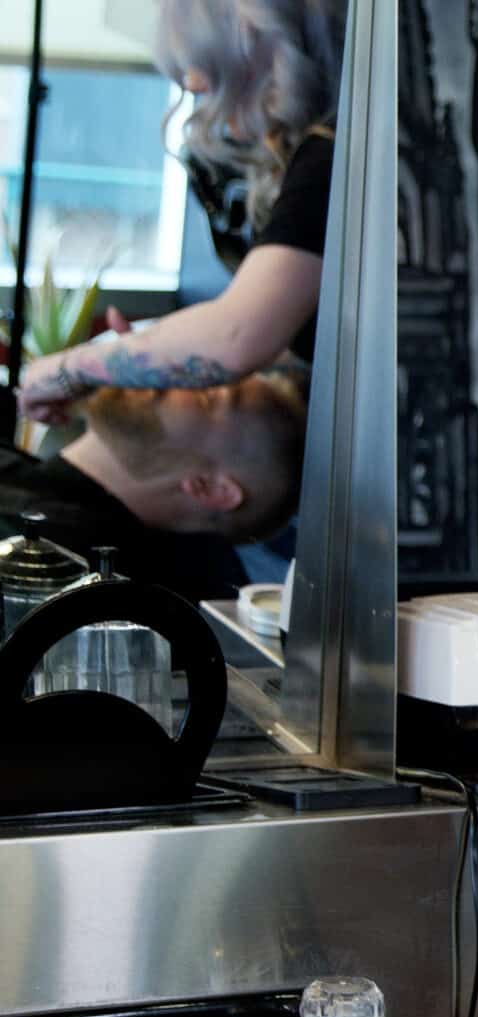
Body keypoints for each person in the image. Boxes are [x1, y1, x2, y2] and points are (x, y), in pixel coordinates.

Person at [16, 0, 343, 425]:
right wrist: (152, 353)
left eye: (199, 60)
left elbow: (236, 337)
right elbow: (282, 333)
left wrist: (70, 369)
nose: (192, 82)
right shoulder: (320, 157)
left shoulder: (328, 160)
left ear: (257, 39)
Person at [0, 367, 309, 598]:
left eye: (207, 396)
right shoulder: (28, 487)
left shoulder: (72, 575)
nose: (167, 371)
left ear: (210, 488)